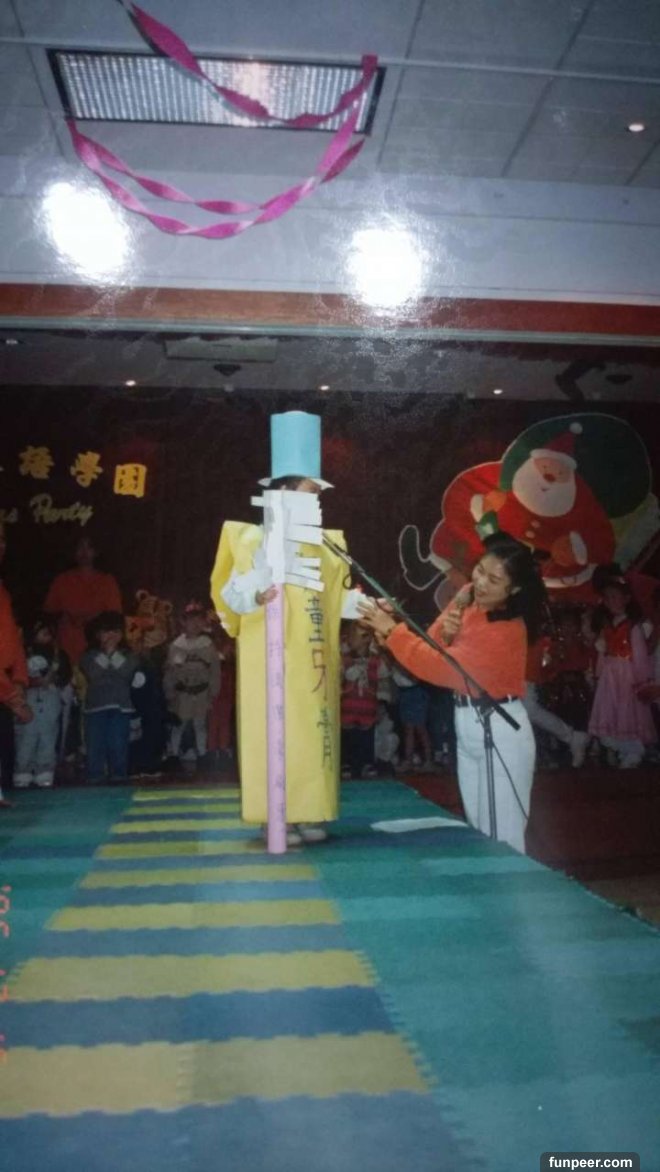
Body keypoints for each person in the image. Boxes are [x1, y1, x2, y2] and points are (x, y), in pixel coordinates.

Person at [211, 411, 364, 847]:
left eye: (318, 494)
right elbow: (233, 592)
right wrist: (256, 596)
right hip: (272, 657)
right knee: (274, 730)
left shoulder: (326, 546)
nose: (317, 500)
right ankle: (274, 815)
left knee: (311, 732)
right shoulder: (252, 540)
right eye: (310, 491)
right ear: (283, 493)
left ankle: (309, 809)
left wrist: (369, 608)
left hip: (310, 659)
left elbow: (336, 599)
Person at [360, 533, 547, 854]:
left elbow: (441, 668)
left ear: (513, 589)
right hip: (470, 724)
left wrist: (392, 630)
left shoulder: (506, 629)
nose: (481, 582)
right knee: (479, 829)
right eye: (480, 570)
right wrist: (413, 628)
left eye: (494, 580)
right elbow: (432, 644)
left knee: (502, 837)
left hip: (497, 728)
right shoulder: (467, 598)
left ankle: (510, 884)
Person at [588, 577, 655, 768]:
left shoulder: (632, 626)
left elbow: (640, 655)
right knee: (610, 713)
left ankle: (633, 750)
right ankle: (627, 748)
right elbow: (604, 653)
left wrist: (642, 682)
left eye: (614, 596)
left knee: (626, 711)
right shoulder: (607, 626)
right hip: (610, 675)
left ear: (626, 598)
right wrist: (599, 673)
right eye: (607, 597)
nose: (610, 601)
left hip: (627, 675)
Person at [79, 611, 141, 785]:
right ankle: (95, 776)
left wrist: (113, 654)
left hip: (121, 707)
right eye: (107, 631)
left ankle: (119, 776)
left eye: (116, 631)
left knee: (118, 743)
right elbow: (93, 673)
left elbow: (126, 672)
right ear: (97, 634)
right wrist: (107, 654)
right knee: (95, 744)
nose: (112, 636)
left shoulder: (130, 655)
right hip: (95, 708)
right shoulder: (89, 655)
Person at [44, 535, 122, 665]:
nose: (84, 552)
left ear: (96, 552)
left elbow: (114, 617)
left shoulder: (107, 581)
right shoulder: (62, 580)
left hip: (97, 648)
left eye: (89, 547)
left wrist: (92, 620)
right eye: (80, 547)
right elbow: (49, 612)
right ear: (74, 551)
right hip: (67, 645)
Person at [13, 615, 71, 789]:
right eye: (41, 630)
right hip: (27, 696)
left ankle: (45, 771)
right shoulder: (20, 652)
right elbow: (13, 675)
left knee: (48, 733)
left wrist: (55, 680)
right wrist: (30, 683)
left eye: (49, 630)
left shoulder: (59, 653)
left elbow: (66, 675)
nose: (46, 633)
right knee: (26, 734)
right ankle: (22, 770)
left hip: (50, 696)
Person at [163, 602, 220, 771]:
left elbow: (215, 670)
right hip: (182, 693)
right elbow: (170, 672)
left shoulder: (208, 645)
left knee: (200, 724)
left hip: (201, 692)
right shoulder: (176, 646)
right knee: (179, 724)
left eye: (199, 620)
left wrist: (213, 691)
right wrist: (170, 692)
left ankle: (202, 755)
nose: (195, 624)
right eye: (190, 620)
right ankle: (173, 754)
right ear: (183, 622)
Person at [0, 523, 31, 805]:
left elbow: (14, 638)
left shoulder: (3, 592)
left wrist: (19, 680)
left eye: (2, 539)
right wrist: (11, 694)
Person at [340, 622, 383, 779]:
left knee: (367, 736)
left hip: (368, 704)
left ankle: (367, 763)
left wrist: (382, 703)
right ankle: (347, 763)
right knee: (348, 735)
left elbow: (382, 682)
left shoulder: (376, 661)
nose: (351, 639)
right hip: (348, 704)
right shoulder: (344, 660)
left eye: (355, 635)